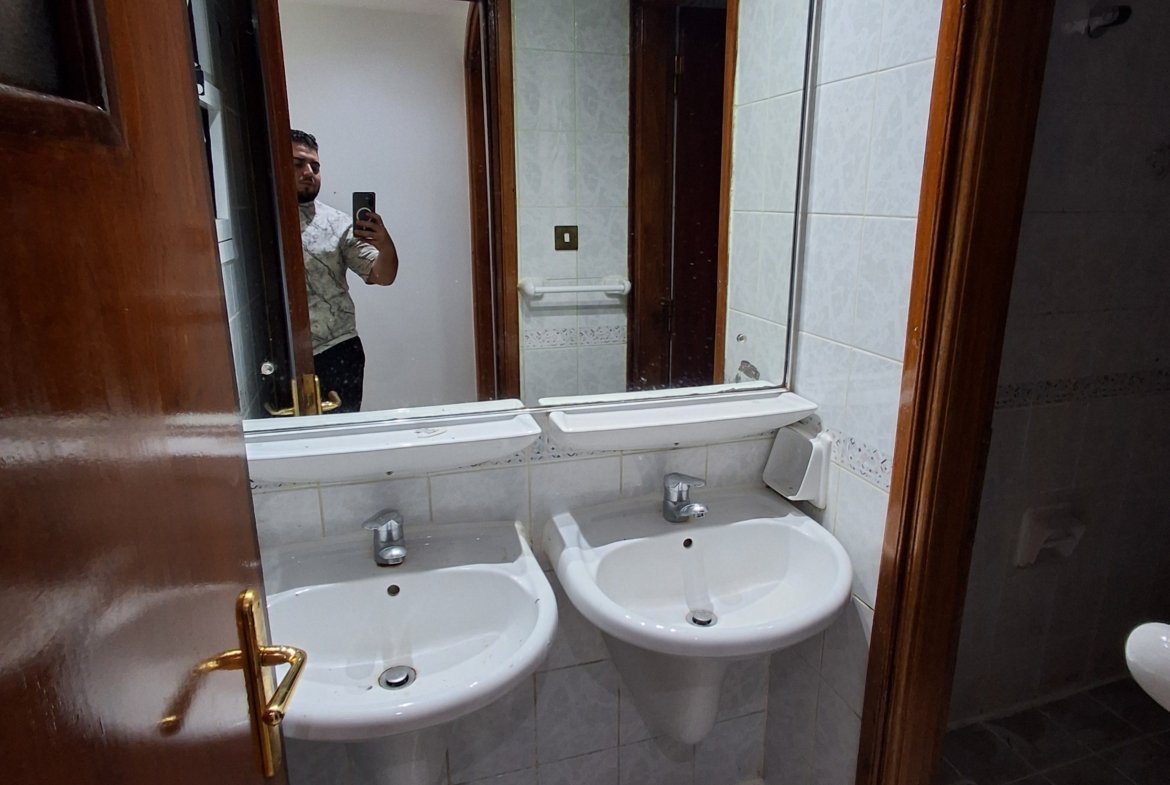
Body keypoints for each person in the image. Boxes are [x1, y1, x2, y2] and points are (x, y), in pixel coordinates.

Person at [291, 129, 398, 413]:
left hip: (336, 349)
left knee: (342, 433)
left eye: (315, 166)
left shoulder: (338, 224)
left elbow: (382, 276)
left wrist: (385, 245)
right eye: (298, 164)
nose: (309, 172)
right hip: (277, 355)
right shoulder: (255, 219)